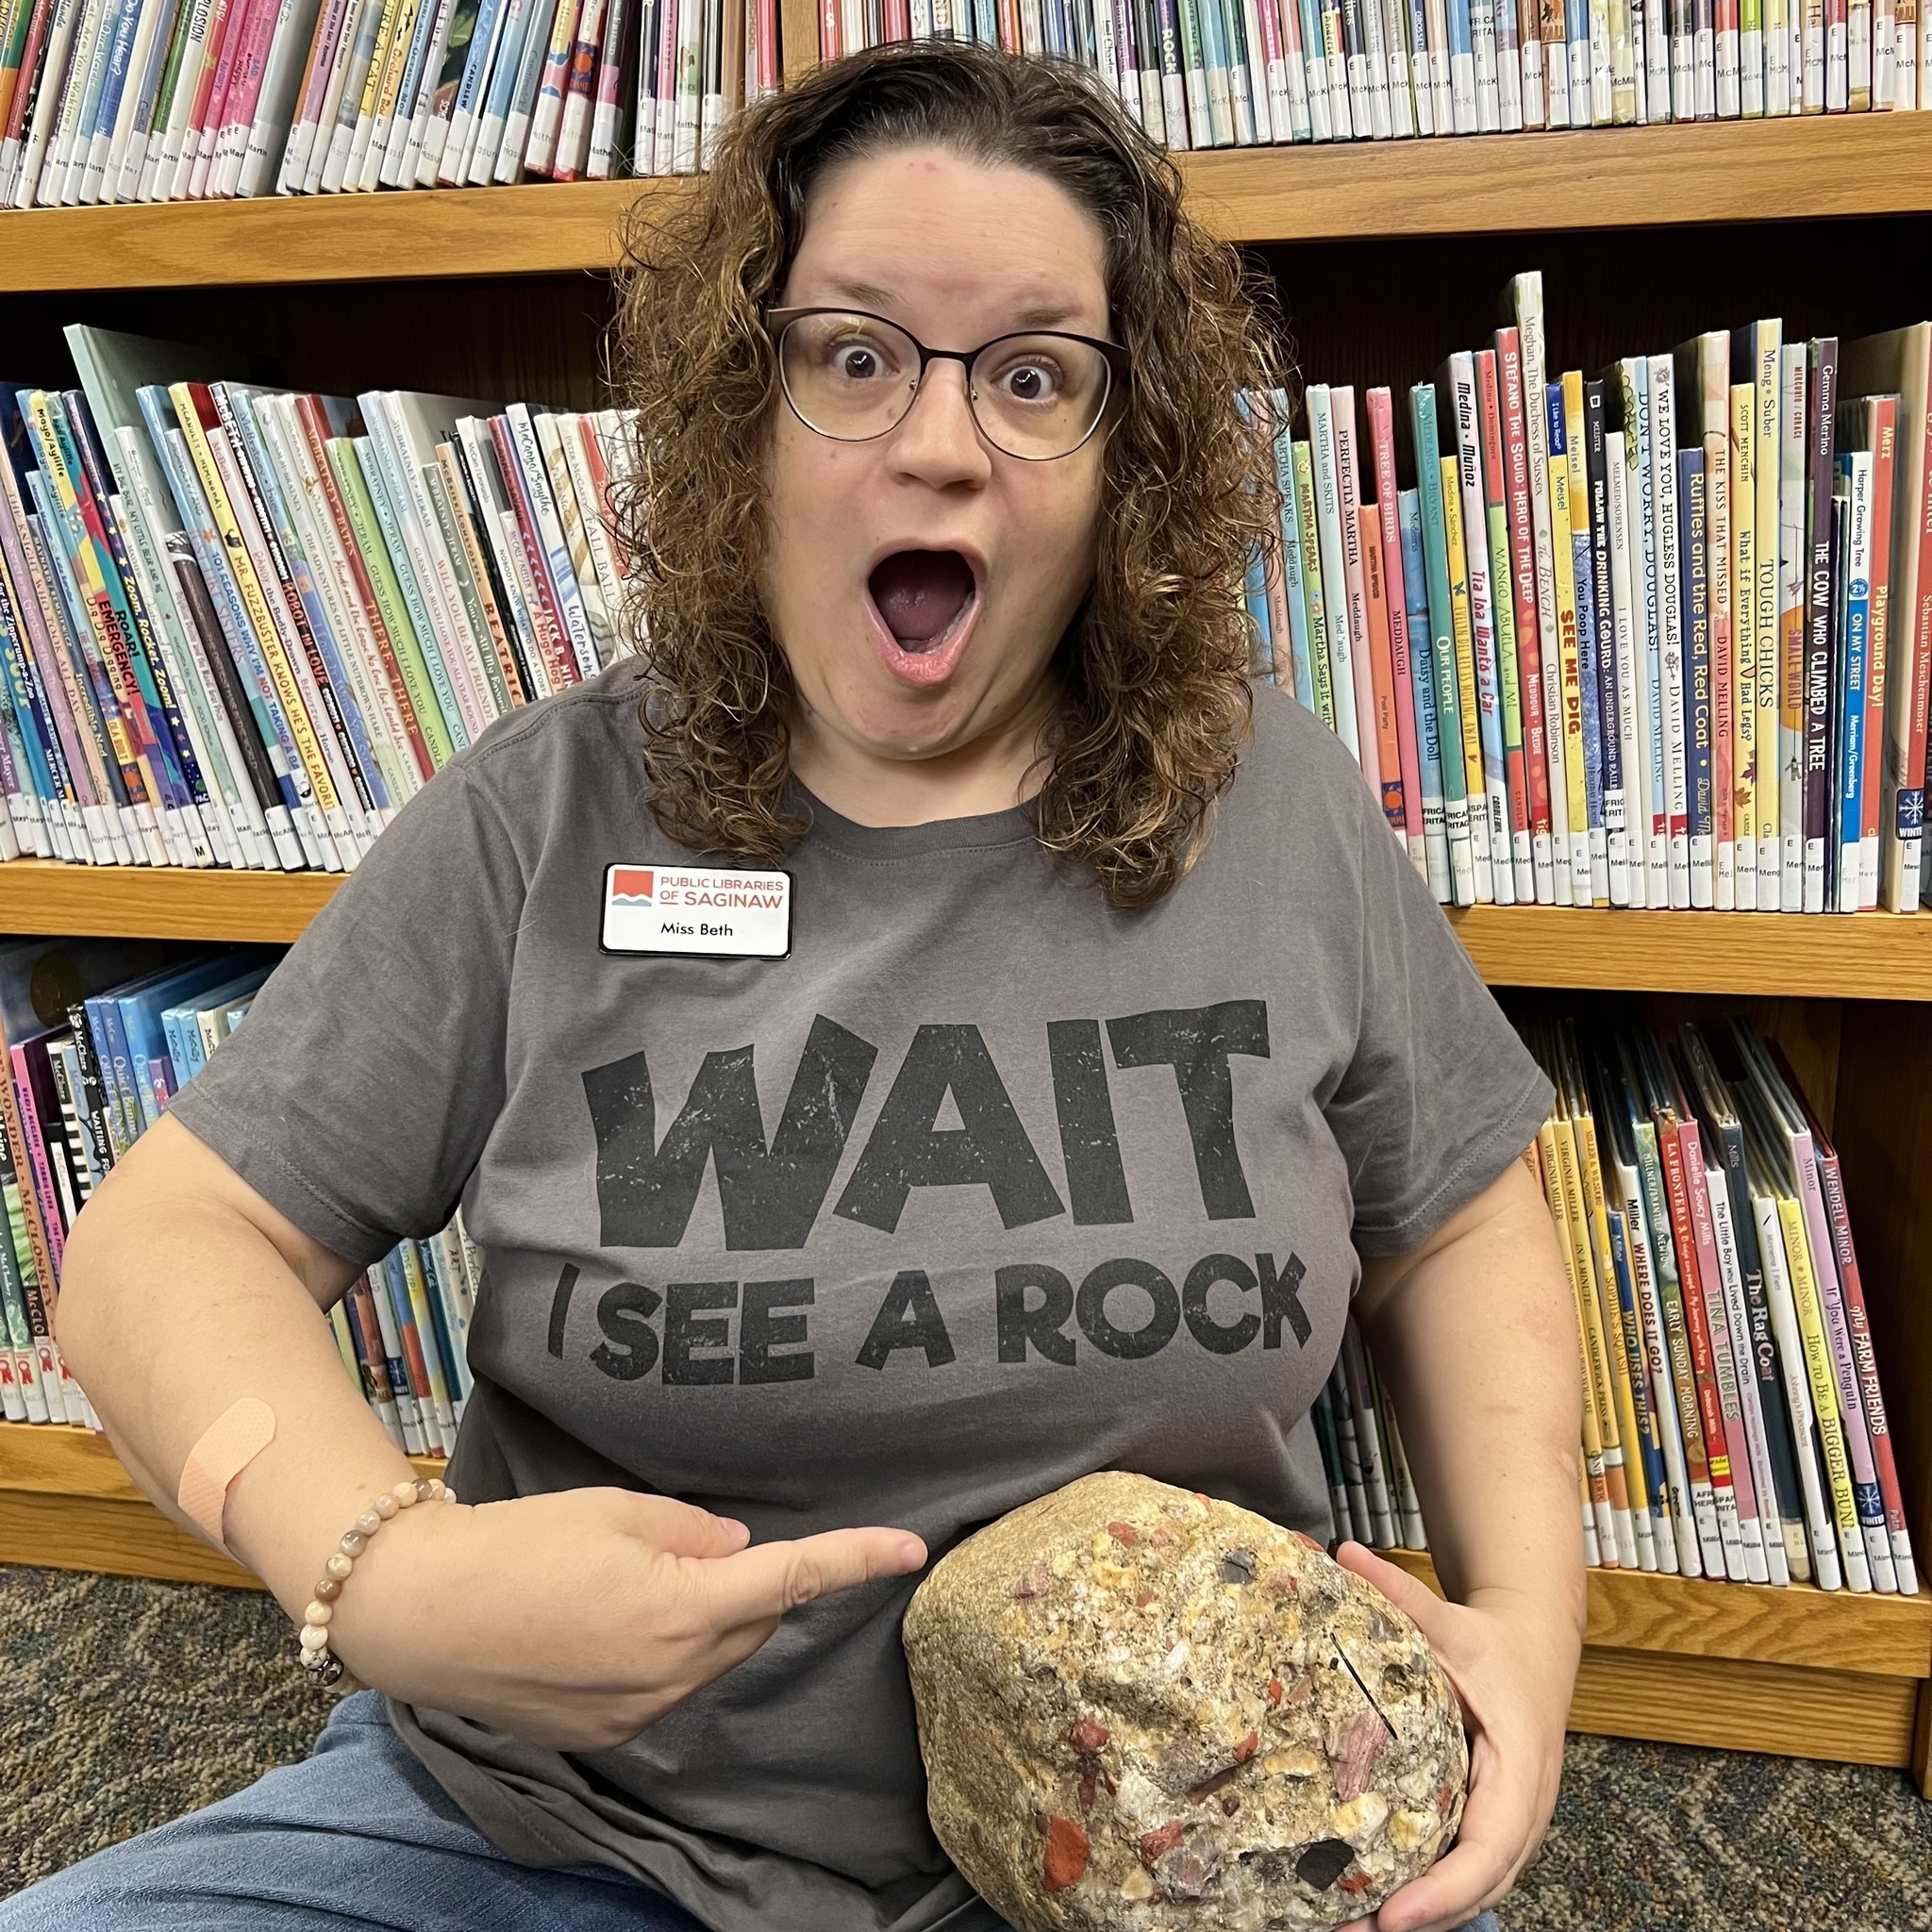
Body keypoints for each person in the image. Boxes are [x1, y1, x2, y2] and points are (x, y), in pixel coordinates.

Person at [3, 42, 1585, 1932]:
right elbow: (167, 1246)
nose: (938, 443)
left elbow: (1456, 1224)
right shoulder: (548, 813)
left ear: (1122, 452)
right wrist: (388, 1574)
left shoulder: (1270, 803)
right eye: (855, 357)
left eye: (1031, 376)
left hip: (1188, 1848)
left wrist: (1531, 1641)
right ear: (744, 412)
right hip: (560, 1822)